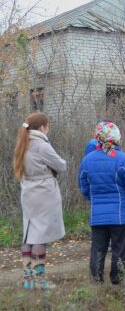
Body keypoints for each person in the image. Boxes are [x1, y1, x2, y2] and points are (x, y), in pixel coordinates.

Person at [78, 121, 125, 284]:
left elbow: (83, 186)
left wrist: (95, 200)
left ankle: (96, 282)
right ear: (117, 138)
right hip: (121, 214)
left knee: (98, 250)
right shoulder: (123, 159)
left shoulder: (87, 160)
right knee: (119, 250)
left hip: (98, 214)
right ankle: (117, 282)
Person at [13, 112, 67, 290]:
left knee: (29, 234)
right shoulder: (41, 145)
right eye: (47, 125)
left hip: (28, 192)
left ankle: (28, 280)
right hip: (43, 193)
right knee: (40, 236)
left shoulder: (23, 142)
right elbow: (61, 166)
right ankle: (40, 279)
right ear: (43, 126)